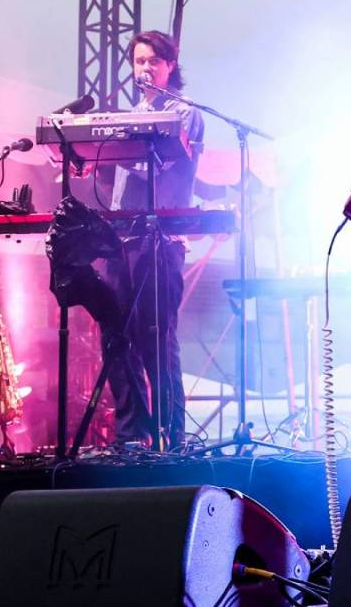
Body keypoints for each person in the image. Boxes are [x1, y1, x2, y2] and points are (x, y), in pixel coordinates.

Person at [103, 30, 204, 447]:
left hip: (160, 238)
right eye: (139, 61)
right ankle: (132, 434)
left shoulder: (185, 113)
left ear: (170, 66)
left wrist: (113, 149)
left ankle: (170, 435)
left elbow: (159, 167)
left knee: (156, 337)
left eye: (153, 61)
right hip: (121, 238)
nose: (144, 68)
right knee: (115, 335)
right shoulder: (132, 112)